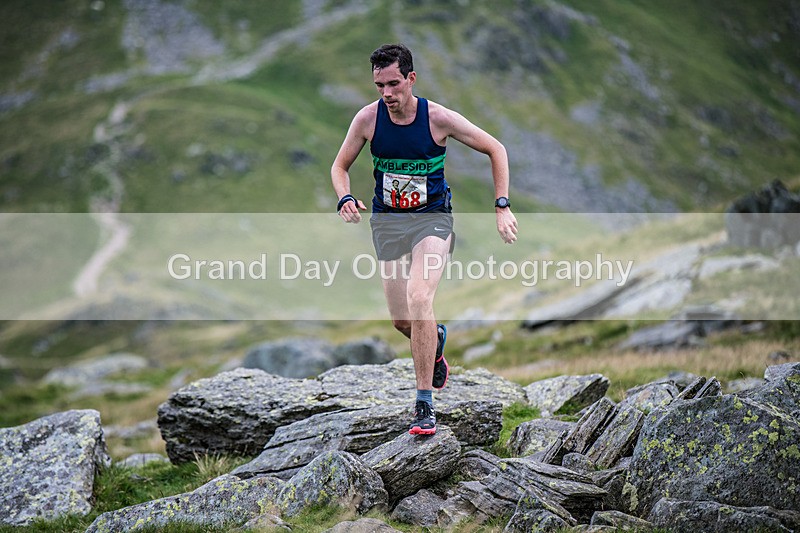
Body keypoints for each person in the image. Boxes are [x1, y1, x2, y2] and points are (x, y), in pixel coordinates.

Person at [331, 44, 518, 435]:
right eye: (380, 85)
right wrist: (345, 196)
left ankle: (423, 406)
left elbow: (495, 149)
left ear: (411, 79)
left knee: (420, 300)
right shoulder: (367, 119)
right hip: (387, 224)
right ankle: (436, 340)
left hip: (432, 221)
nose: (387, 93)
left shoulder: (438, 118)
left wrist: (502, 206)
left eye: (394, 84)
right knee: (404, 321)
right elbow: (340, 166)